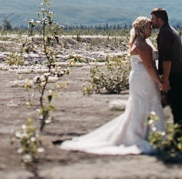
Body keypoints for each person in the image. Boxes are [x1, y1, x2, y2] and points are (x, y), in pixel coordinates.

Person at [60, 16, 166, 155]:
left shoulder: (142, 42)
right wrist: (159, 82)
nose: (151, 29)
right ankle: (140, 134)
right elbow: (149, 66)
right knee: (143, 104)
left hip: (141, 78)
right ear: (142, 29)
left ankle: (146, 132)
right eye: (149, 27)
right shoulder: (142, 45)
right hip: (144, 79)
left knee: (141, 104)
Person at [150, 7, 182, 134]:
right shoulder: (170, 30)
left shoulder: (164, 34)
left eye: (153, 19)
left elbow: (167, 60)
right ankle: (177, 135)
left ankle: (180, 137)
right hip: (179, 74)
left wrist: (165, 80)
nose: (151, 22)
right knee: (176, 107)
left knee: (177, 108)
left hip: (175, 75)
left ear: (160, 20)